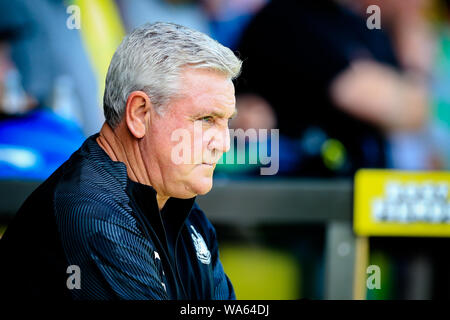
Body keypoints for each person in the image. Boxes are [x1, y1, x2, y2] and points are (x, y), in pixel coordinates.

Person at [0, 22, 242, 300]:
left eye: (227, 122)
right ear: (140, 114)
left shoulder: (182, 208)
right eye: (206, 119)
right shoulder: (91, 212)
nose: (223, 144)